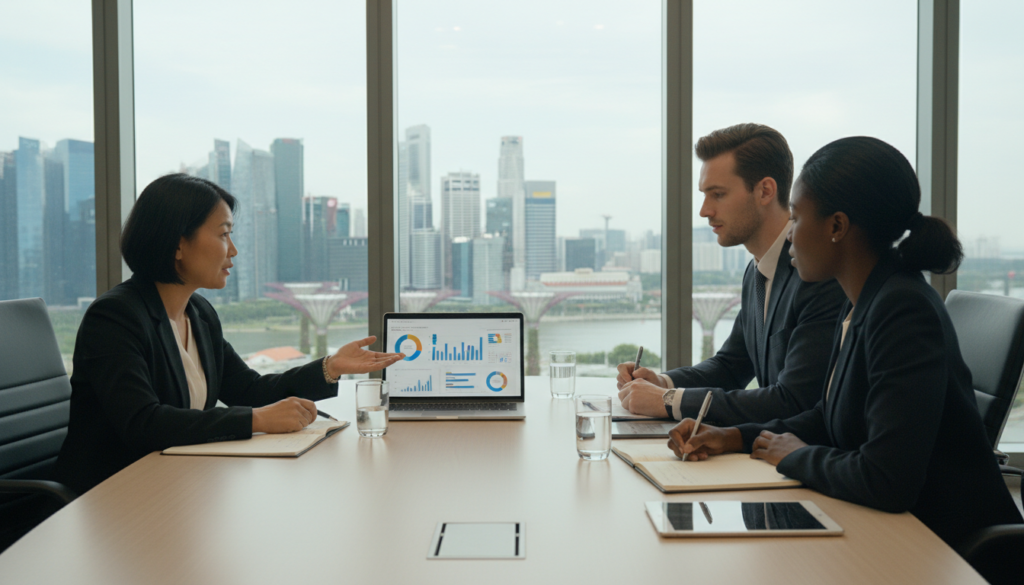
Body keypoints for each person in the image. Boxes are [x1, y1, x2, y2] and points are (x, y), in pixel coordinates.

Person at [668, 136, 1023, 550]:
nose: (790, 236)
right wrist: (735, 436)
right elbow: (831, 416)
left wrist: (793, 455)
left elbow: (887, 479)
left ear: (837, 227)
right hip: (888, 531)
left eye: (797, 220)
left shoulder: (903, 310)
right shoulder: (864, 299)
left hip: (944, 551)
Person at [55, 174, 404, 494]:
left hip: (176, 485)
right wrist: (258, 420)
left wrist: (331, 366)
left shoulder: (199, 314)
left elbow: (249, 390)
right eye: (223, 234)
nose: (233, 250)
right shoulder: (115, 317)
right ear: (178, 244)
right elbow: (143, 423)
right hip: (110, 496)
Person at [617, 123, 845, 425]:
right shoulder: (757, 270)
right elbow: (731, 367)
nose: (704, 210)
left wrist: (669, 402)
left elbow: (795, 401)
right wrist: (663, 383)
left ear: (764, 191)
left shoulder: (817, 275)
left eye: (718, 194)